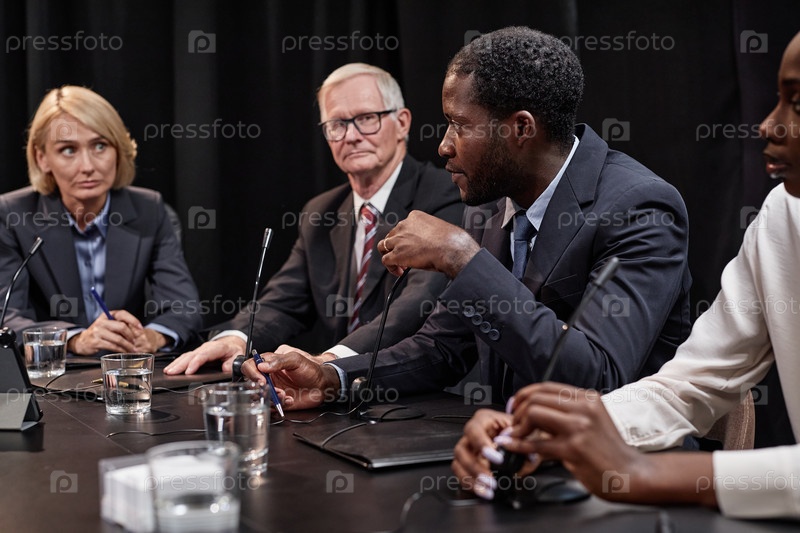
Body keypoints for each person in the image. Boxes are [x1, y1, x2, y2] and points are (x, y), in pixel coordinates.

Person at [242, 27, 692, 410]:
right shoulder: (491, 208)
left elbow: (597, 375)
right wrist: (331, 378)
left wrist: (462, 258)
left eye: (459, 124)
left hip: (621, 470)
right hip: (508, 458)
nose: (443, 145)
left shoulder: (640, 208)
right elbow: (441, 348)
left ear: (521, 128)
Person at [452, 31, 800, 520]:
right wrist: (547, 432)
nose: (768, 125)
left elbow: (599, 371)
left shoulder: (639, 203)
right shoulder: (783, 214)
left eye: (797, 104)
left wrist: (650, 473)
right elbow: (689, 386)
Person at [164, 63, 462, 375]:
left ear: (402, 123)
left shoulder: (442, 195)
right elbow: (283, 301)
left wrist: (330, 362)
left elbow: (418, 303)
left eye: (366, 119)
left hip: (420, 386)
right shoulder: (321, 212)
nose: (351, 136)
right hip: (338, 394)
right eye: (337, 124)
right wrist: (236, 338)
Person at [0, 85, 201, 354]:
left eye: (99, 146)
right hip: (53, 372)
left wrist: (152, 337)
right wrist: (75, 339)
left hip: (126, 370)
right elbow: (6, 317)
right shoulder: (12, 214)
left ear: (118, 150)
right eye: (68, 150)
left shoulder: (149, 209)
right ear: (42, 158)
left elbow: (184, 308)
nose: (88, 166)